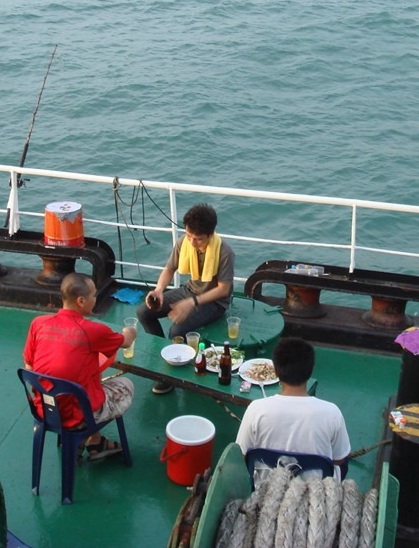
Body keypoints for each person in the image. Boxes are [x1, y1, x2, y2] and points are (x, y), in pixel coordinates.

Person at [24, 273, 136, 460]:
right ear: (81, 301)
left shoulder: (38, 324)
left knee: (89, 377)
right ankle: (87, 436)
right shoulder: (92, 331)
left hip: (45, 409)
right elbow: (125, 342)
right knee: (126, 384)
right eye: (94, 295)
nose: (96, 298)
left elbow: (28, 364)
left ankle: (94, 441)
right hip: (76, 416)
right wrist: (130, 330)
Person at [137, 203, 235, 394]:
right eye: (189, 236)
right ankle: (162, 356)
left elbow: (223, 290)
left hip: (213, 302)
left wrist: (191, 303)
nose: (191, 242)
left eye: (197, 239)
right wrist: (158, 290)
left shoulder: (225, 252)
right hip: (189, 290)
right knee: (144, 312)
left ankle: (170, 377)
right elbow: (169, 269)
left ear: (210, 235)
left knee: (177, 330)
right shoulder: (184, 242)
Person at [235, 337, 351, 480]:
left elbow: (242, 455)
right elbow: (339, 459)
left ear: (276, 372)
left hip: (266, 490)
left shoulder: (256, 409)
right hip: (316, 493)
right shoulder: (332, 413)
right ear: (311, 370)